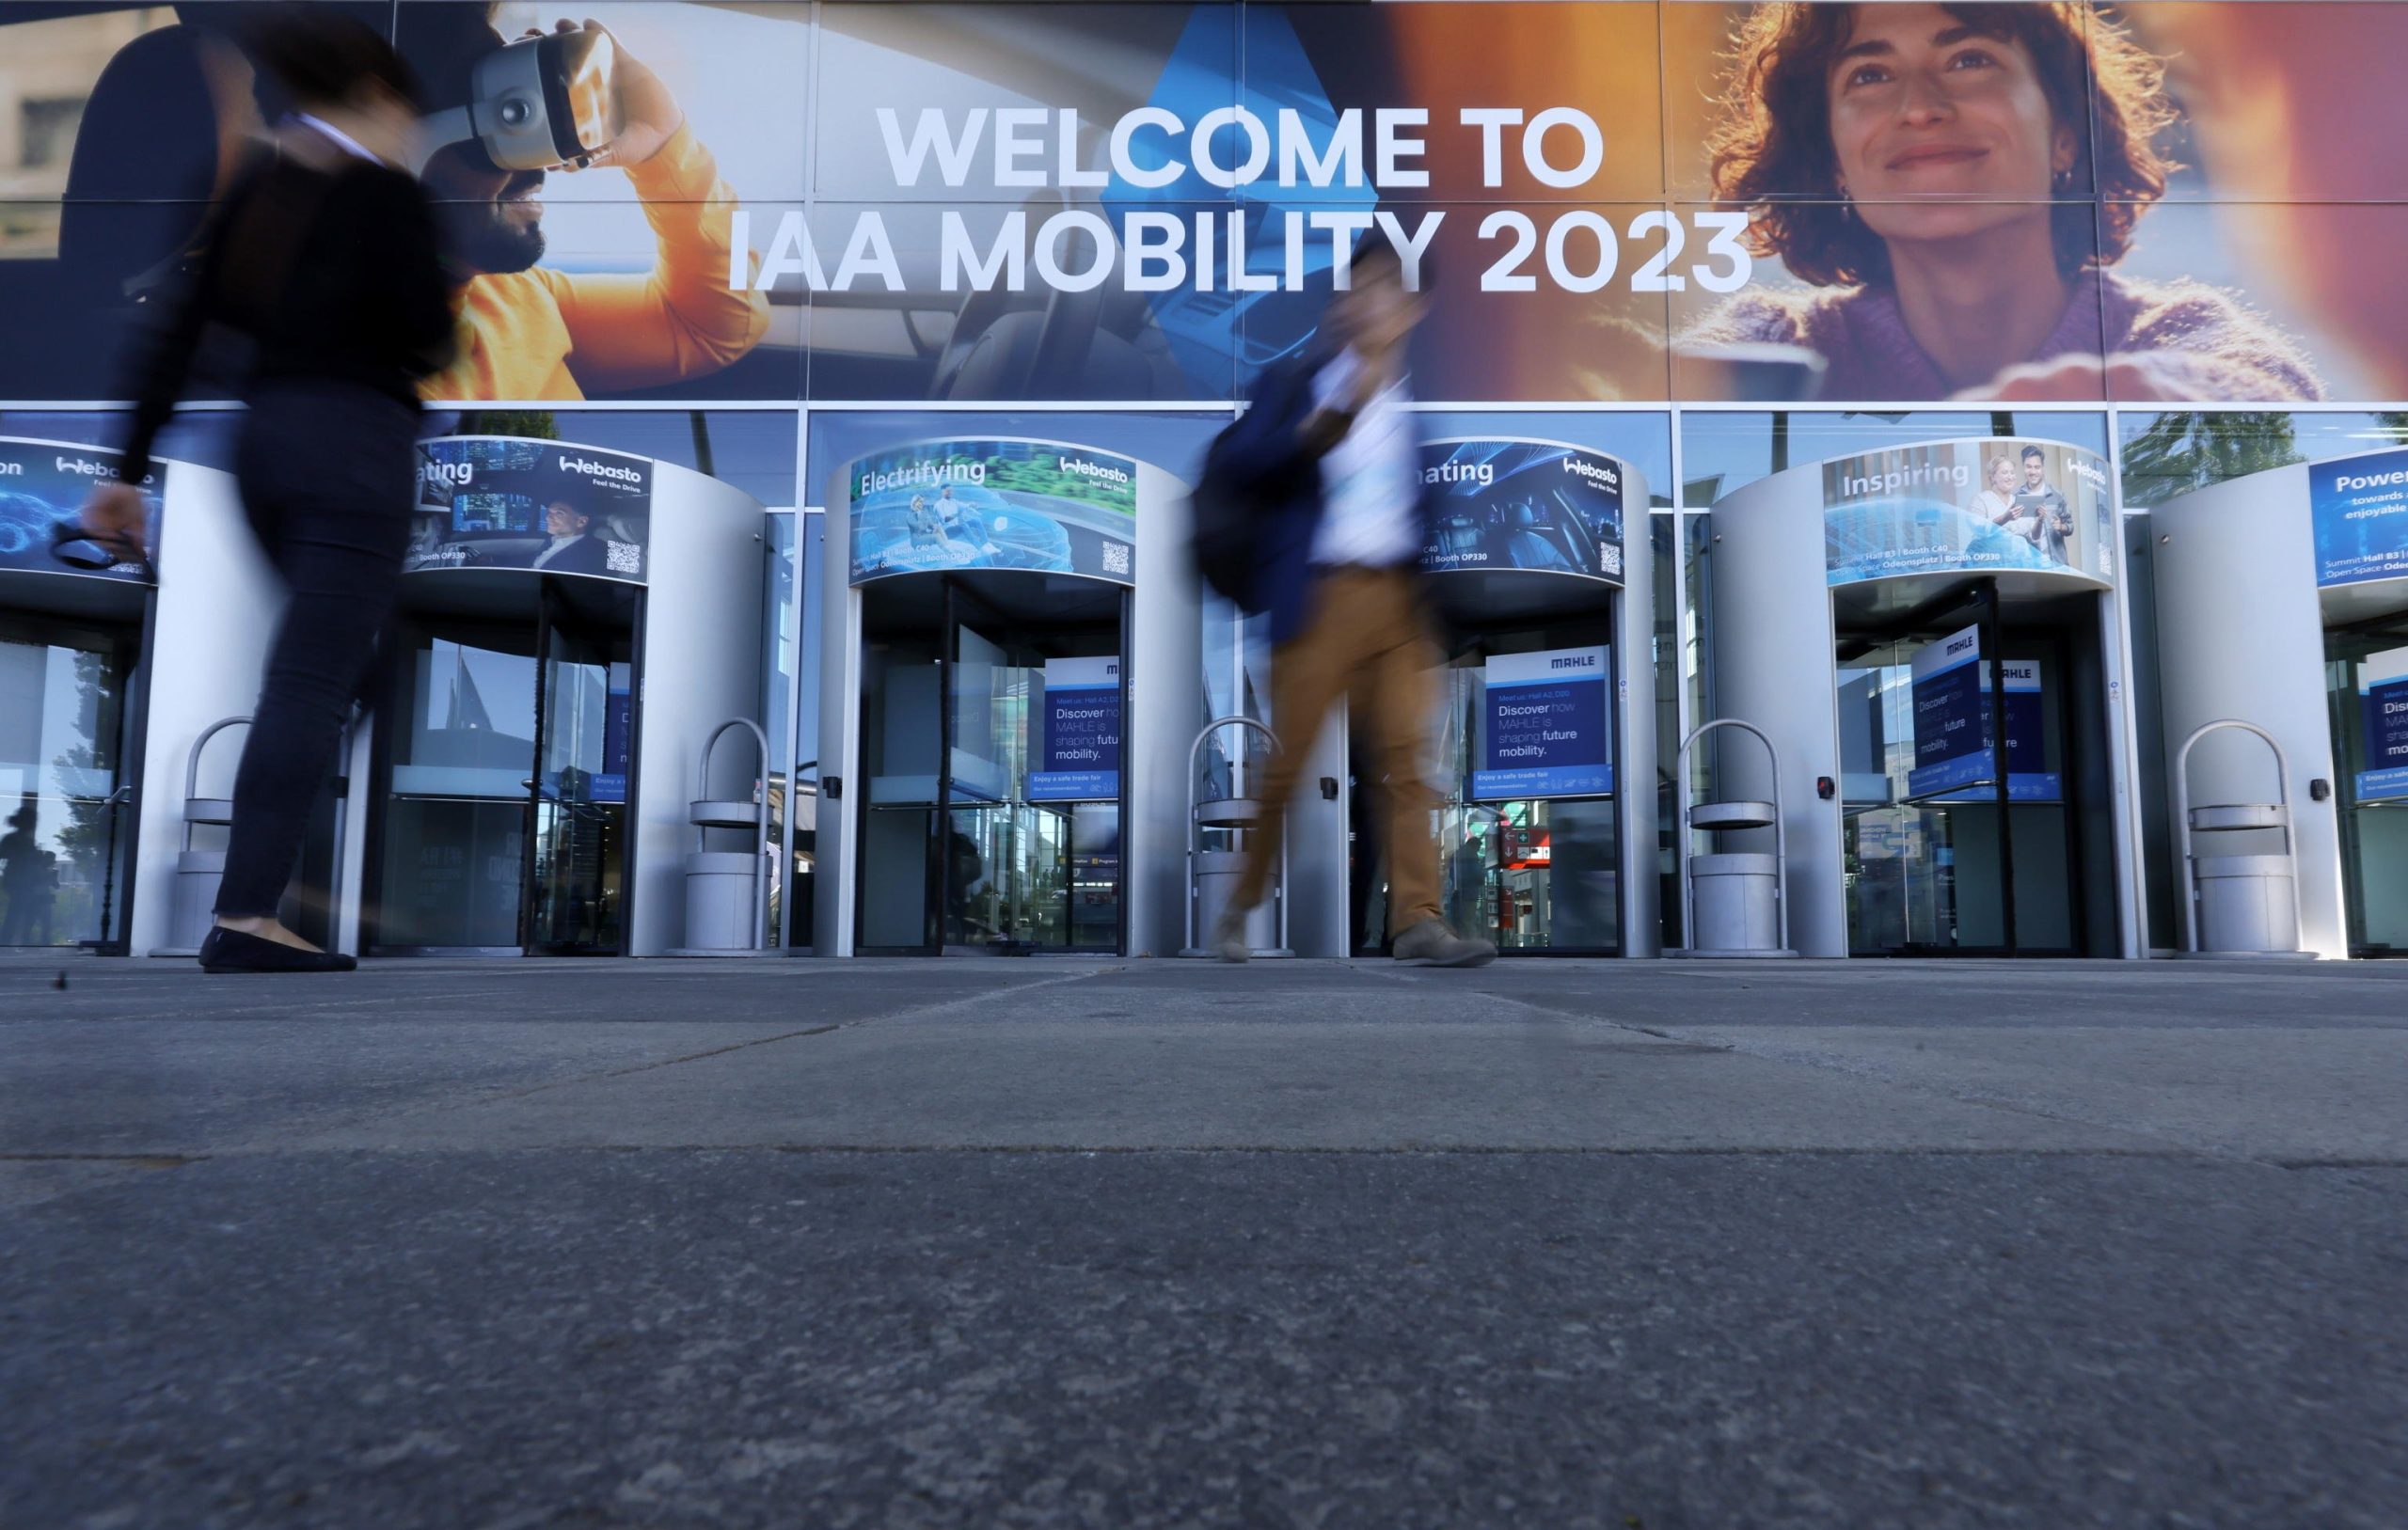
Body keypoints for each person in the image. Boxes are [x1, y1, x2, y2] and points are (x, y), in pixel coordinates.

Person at [78, 9, 454, 974]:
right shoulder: (381, 196)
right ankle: (248, 910)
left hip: (265, 444)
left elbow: (173, 334)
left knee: (353, 665)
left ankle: (279, 864)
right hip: (355, 447)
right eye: (404, 116)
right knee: (315, 678)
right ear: (374, 99)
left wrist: (125, 473)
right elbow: (428, 335)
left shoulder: (258, 187)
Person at [1683, 1, 2321, 402]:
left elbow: (2273, 406)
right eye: (1870, 75)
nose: (1921, 107)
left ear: (2065, 138)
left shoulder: (2179, 339)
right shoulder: (1776, 345)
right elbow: (1633, 406)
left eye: (1968, 59)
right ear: (1832, 165)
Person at [1208, 235, 1497, 968]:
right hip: (1319, 600)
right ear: (1342, 305)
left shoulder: (1409, 419)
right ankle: (1238, 909)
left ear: (1412, 309)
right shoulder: (1294, 387)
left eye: (1385, 289)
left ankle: (1418, 922)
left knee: (1408, 763)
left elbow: (1418, 522)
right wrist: (1318, 426)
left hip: (1397, 605)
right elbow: (1239, 464)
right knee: (1288, 768)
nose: (1369, 302)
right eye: (1358, 287)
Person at [405, 8, 768, 400]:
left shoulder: (512, 297)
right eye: (494, 141)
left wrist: (664, 147)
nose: (536, 166)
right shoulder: (347, 362)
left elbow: (716, 328)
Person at [2014, 445, 2075, 565]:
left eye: (2037, 467)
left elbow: (2070, 526)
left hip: (2056, 566)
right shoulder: (2015, 496)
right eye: (2028, 467)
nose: (2033, 472)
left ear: (2043, 468)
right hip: (2028, 567)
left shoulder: (2057, 495)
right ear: (2023, 467)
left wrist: (2061, 527)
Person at [528, 497, 610, 575]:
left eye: (559, 513)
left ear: (581, 522)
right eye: (549, 512)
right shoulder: (552, 540)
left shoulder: (593, 553)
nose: (547, 518)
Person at [1968, 454, 2028, 540]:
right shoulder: (1980, 500)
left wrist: (2040, 520)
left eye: (2012, 473)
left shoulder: (2018, 501)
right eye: (2005, 472)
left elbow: (2029, 534)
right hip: (1988, 552)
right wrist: (2005, 518)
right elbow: (1979, 530)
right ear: (1992, 477)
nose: (2010, 477)